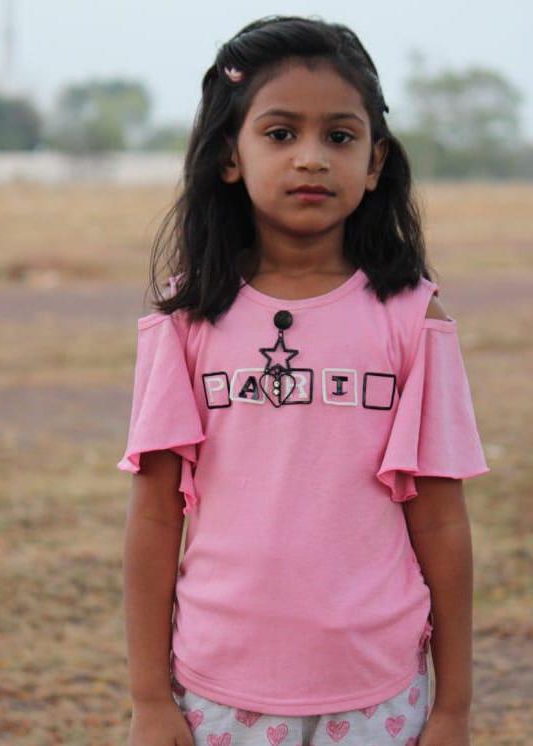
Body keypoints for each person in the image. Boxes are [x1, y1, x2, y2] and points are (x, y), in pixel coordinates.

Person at [117, 15, 490, 746]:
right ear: (231, 155)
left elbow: (442, 520)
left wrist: (452, 709)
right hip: (216, 691)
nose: (312, 158)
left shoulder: (413, 318)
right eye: (281, 133)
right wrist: (149, 699)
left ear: (375, 162)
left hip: (379, 693)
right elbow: (156, 517)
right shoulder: (185, 320)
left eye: (340, 137)